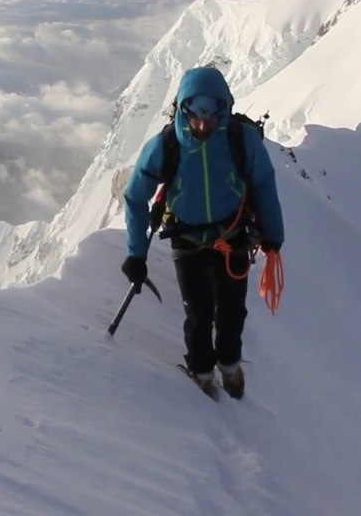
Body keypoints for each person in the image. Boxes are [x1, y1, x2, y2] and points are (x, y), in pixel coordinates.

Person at [120, 66, 284, 399]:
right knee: (198, 312)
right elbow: (135, 197)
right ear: (183, 110)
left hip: (233, 233)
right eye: (196, 117)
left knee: (232, 310)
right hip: (189, 237)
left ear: (224, 110)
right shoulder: (167, 145)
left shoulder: (240, 139)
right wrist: (136, 253)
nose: (203, 125)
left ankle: (228, 364)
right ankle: (202, 372)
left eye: (211, 117)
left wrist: (273, 234)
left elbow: (265, 185)